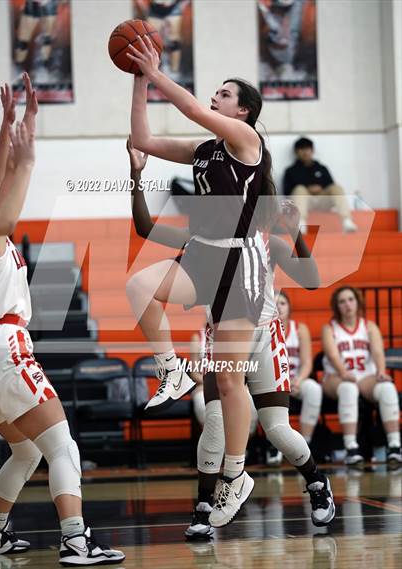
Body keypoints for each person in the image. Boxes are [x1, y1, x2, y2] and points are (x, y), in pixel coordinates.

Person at [127, 137, 335, 536]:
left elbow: (312, 281)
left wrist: (298, 233)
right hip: (219, 338)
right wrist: (136, 175)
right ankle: (204, 507)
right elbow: (144, 227)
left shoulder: (268, 243)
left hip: (263, 340)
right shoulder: (202, 240)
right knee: (216, 424)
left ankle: (315, 482)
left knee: (277, 430)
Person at [127, 31, 280, 527]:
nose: (216, 95)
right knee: (139, 286)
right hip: (205, 256)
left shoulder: (247, 142)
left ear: (242, 113)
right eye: (216, 91)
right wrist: (138, 84)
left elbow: (192, 109)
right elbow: (144, 141)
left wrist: (155, 73)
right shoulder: (204, 150)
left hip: (242, 266)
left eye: (225, 93)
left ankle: (235, 475)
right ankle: (171, 368)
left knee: (230, 380)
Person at [0, 76, 124, 566]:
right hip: (2, 345)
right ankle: (75, 540)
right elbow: (2, 208)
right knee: (63, 445)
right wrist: (29, 159)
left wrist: (9, 128)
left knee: (26, 452)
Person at [322, 286, 402, 467]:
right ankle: (351, 447)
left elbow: (377, 351)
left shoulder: (368, 326)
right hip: (336, 376)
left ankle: (395, 446)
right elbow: (333, 355)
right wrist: (343, 373)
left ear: (358, 302)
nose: (347, 304)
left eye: (350, 299)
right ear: (336, 306)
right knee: (348, 388)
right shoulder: (329, 328)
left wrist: (381, 371)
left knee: (387, 388)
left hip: (365, 376)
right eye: (342, 301)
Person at [266, 291, 322, 465]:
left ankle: (305, 444)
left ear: (289, 307)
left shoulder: (299, 329)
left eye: (282, 303)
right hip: (270, 382)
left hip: (295, 380)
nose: (278, 307)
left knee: (313, 388)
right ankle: (273, 445)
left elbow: (306, 362)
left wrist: (297, 380)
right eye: (274, 303)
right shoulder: (260, 330)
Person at [283, 137, 357, 234]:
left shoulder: (322, 168)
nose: (305, 152)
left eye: (308, 149)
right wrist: (307, 189)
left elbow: (331, 186)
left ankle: (347, 221)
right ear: (296, 152)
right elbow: (287, 192)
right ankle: (301, 223)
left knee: (336, 188)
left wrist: (320, 188)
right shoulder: (291, 171)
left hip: (323, 201)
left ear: (312, 151)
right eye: (302, 149)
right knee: (299, 189)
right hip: (303, 203)